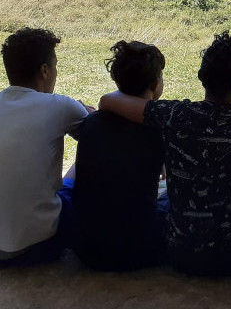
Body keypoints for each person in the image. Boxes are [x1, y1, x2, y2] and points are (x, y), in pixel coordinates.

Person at [97, 31, 231, 277]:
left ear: (201, 77)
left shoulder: (174, 115)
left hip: (182, 254)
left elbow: (109, 100)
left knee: (164, 201)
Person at [0, 27, 91, 265]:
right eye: (54, 66)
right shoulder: (61, 106)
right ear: (44, 70)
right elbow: (98, 139)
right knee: (83, 195)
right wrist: (92, 113)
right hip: (34, 248)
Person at [72, 40, 168, 271]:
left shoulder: (92, 123)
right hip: (140, 252)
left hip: (87, 252)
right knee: (173, 200)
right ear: (156, 83)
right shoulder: (160, 127)